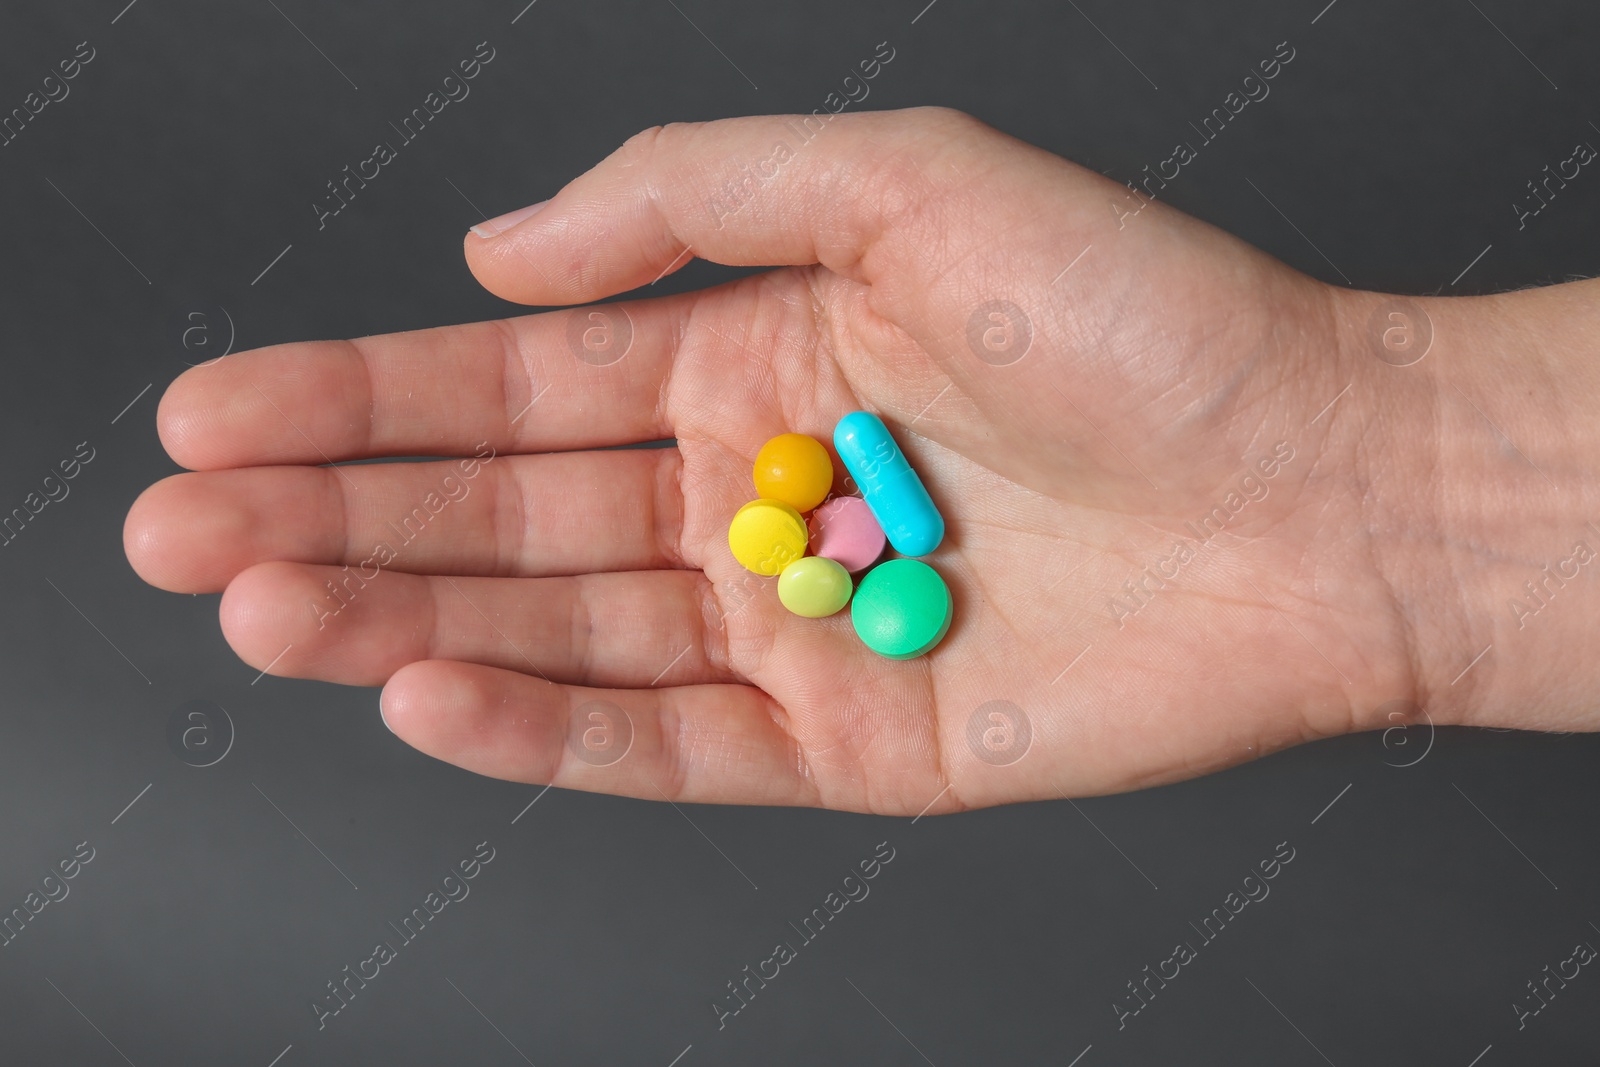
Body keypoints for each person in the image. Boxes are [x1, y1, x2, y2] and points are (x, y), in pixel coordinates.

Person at [122, 108, 1599, 814]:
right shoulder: (830, 515)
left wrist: (1376, 455)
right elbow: (825, 549)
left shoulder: (854, 516)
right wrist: (1392, 478)